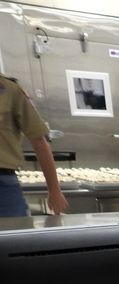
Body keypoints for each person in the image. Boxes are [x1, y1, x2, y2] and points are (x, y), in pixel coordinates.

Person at [0, 73, 68, 217]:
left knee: (14, 235)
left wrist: (54, 191)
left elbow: (39, 141)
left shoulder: (10, 90)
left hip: (3, 185)